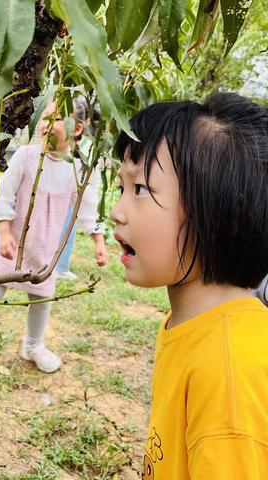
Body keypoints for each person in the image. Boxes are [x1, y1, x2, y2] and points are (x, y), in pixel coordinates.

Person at [111, 92, 268, 478]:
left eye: (141, 189)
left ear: (218, 212)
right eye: (120, 189)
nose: (116, 211)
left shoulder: (228, 370)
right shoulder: (194, 324)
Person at [0, 100, 107, 375]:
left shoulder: (78, 169)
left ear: (77, 129)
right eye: (44, 118)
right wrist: (3, 232)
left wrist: (98, 240)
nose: (46, 125)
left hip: (44, 247)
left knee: (42, 298)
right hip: (10, 243)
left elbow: (87, 205)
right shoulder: (26, 156)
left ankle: (33, 345)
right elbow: (6, 194)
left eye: (57, 118)